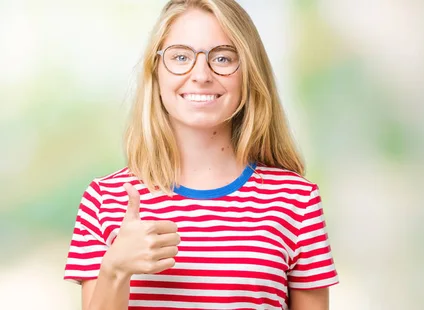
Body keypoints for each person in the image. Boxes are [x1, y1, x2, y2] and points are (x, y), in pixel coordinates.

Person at [63, 0, 339, 309]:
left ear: (248, 73)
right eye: (180, 57)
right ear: (156, 72)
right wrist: (115, 270)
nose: (201, 74)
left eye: (222, 58)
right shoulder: (104, 199)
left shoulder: (296, 200)